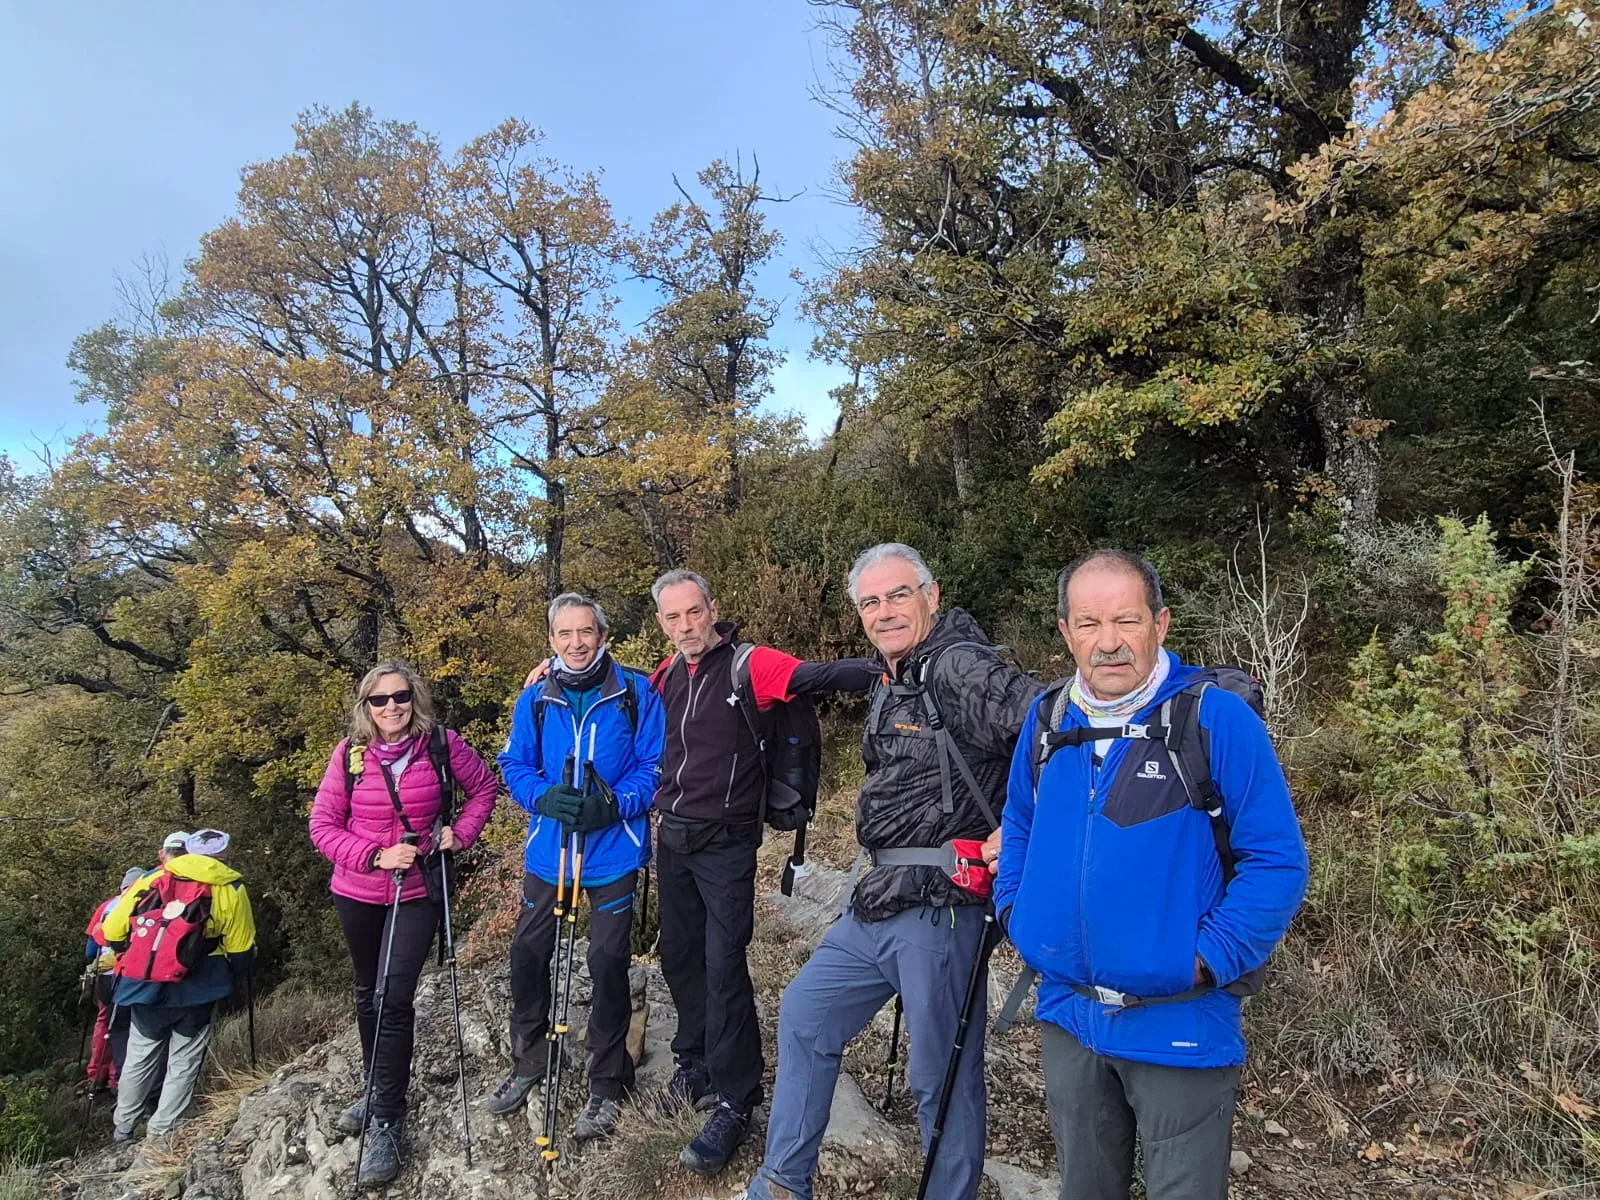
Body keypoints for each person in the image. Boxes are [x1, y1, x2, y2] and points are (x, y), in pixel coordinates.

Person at [992, 550, 1309, 1200]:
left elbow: (1277, 861)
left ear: (1160, 624)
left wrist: (1204, 959)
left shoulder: (1215, 720)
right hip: (1067, 1019)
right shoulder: (1049, 719)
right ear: (1065, 632)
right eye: (1088, 623)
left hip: (1179, 1022)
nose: (1108, 642)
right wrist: (1017, 918)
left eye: (1126, 620)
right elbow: (1019, 825)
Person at [739, 543, 1040, 1200]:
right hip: (878, 896)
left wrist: (1022, 830)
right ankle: (782, 1184)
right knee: (806, 1013)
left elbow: (1051, 727)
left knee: (941, 1077)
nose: (885, 611)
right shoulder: (895, 677)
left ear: (931, 595)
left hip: (941, 904)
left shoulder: (958, 666)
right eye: (871, 602)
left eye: (899, 594)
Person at [649, 569, 877, 1175]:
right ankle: (692, 1061)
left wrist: (900, 665)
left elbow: (822, 677)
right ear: (662, 624)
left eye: (693, 612)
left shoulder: (750, 665)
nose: (685, 626)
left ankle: (735, 1096)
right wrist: (548, 670)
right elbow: (614, 689)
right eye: (672, 617)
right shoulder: (668, 675)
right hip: (670, 838)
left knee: (724, 966)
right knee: (679, 957)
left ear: (712, 608)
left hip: (726, 843)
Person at [308, 661, 498, 1187]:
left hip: (417, 893)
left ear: (414, 698)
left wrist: (458, 835)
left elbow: (485, 788)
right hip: (358, 890)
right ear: (365, 707)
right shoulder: (348, 756)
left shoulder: (440, 744)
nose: (391, 706)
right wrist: (373, 856)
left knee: (394, 997)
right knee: (367, 992)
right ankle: (376, 1085)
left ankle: (388, 1118)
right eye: (379, 699)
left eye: (400, 696)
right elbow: (322, 826)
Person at [488, 592, 665, 1140]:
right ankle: (530, 1060)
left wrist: (614, 803)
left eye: (584, 632)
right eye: (564, 635)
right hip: (550, 851)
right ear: (551, 641)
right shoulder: (536, 699)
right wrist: (542, 797)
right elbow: (513, 763)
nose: (575, 643)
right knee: (526, 953)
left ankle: (608, 1081)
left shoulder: (636, 692)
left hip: (613, 851)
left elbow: (655, 767)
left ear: (603, 634)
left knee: (608, 960)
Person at [102, 829, 256, 1143]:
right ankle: (162, 1131)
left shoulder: (151, 879)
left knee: (140, 1054)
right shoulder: (230, 888)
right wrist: (235, 975)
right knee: (184, 1059)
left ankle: (124, 1126)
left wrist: (131, 953)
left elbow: (113, 930)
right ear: (223, 854)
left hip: (145, 982)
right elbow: (241, 951)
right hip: (200, 985)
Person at [83, 866, 149, 1093]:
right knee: (131, 1025)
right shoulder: (150, 902)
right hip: (137, 974)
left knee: (105, 1021)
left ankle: (96, 1074)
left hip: (107, 975)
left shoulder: (107, 907)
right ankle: (117, 1079)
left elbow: (91, 951)